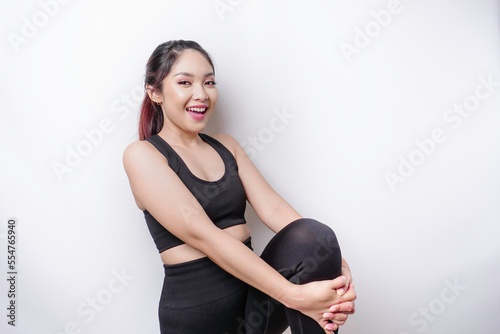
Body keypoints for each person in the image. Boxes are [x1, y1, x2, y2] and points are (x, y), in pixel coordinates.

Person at [123, 40, 356, 334]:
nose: (201, 94)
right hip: (199, 315)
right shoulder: (143, 155)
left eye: (209, 82)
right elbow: (203, 235)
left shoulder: (227, 146)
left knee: (315, 236)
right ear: (154, 92)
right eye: (185, 82)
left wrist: (336, 265)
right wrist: (295, 297)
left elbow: (274, 209)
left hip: (251, 302)